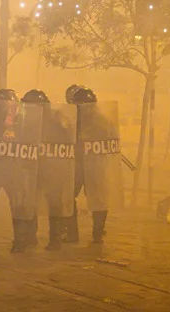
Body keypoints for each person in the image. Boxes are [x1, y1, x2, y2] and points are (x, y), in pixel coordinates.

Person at [0, 88, 38, 253]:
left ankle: (22, 240)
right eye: (0, 105)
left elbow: (31, 144)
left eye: (7, 105)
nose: (4, 108)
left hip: (14, 170)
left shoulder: (23, 122)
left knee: (19, 206)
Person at [27, 89, 74, 251]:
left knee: (53, 204)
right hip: (35, 167)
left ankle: (54, 238)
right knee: (31, 202)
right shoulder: (25, 123)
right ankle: (30, 237)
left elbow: (68, 143)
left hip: (53, 169)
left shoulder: (56, 122)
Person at [65, 86, 110, 245]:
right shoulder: (71, 120)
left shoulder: (101, 121)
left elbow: (109, 139)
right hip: (77, 164)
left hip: (94, 164)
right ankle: (72, 234)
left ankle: (97, 234)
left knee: (98, 199)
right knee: (68, 196)